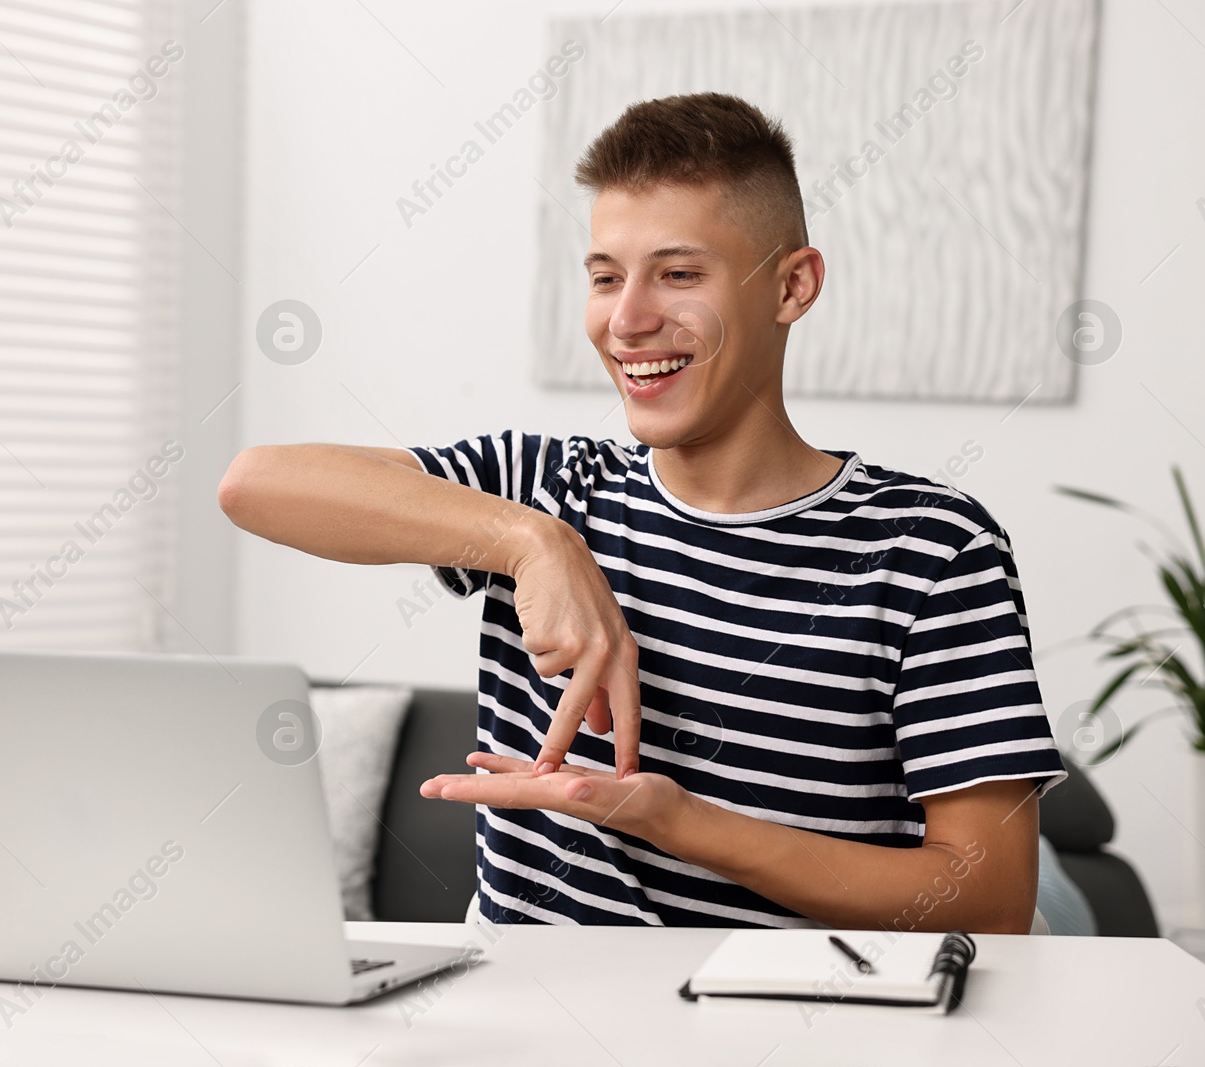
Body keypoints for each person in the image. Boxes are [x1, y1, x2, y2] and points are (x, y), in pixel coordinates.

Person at [218, 91, 1066, 931]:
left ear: (792, 287)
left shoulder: (931, 548)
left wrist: (672, 820)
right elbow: (255, 484)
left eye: (679, 273)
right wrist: (532, 543)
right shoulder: (546, 489)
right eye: (605, 277)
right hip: (523, 1020)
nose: (627, 321)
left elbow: (987, 898)